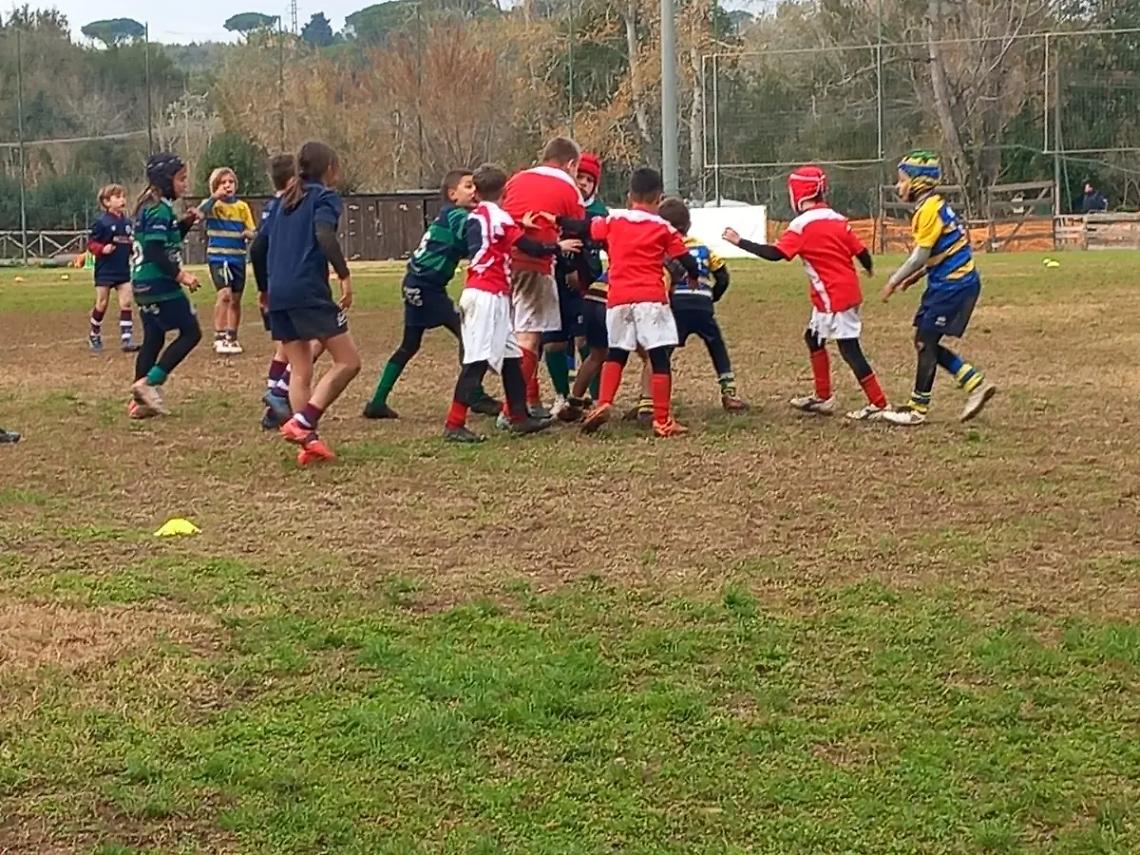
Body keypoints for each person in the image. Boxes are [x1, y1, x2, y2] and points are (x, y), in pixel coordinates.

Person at [723, 165, 889, 420]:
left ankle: (879, 404)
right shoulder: (837, 219)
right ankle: (823, 397)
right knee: (813, 338)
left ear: (798, 194)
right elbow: (861, 251)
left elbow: (776, 254)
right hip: (843, 293)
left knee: (849, 349)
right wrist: (868, 268)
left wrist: (739, 242)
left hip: (833, 298)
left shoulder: (802, 225)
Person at [443, 164, 578, 442]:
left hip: (488, 293)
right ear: (505, 190)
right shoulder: (501, 218)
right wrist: (557, 247)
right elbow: (528, 246)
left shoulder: (478, 215)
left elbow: (495, 234)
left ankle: (518, 416)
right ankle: (454, 423)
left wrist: (517, 225)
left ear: (477, 192)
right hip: (487, 295)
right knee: (477, 361)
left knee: (513, 357)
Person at [251, 141, 361, 465]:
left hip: (280, 293)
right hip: (307, 291)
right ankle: (303, 421)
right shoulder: (324, 198)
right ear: (330, 169)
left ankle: (307, 444)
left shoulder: (282, 201)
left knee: (301, 370)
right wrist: (343, 274)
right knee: (349, 362)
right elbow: (324, 235)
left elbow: (258, 247)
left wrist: (263, 288)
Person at [363, 169, 499, 420]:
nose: (474, 191)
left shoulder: (450, 215)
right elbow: (474, 237)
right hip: (427, 287)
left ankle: (377, 401)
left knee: (409, 344)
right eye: (468, 186)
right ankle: (475, 395)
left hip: (414, 283)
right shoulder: (458, 216)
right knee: (467, 332)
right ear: (452, 194)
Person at [580, 167, 701, 438]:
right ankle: (662, 420)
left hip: (618, 299)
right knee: (659, 358)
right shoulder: (663, 227)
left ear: (629, 196)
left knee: (617, 354)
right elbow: (686, 259)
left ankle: (604, 402)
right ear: (659, 199)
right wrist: (693, 276)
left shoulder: (614, 221)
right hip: (650, 300)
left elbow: (587, 228)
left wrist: (557, 220)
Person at [879, 151, 996, 425]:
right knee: (926, 341)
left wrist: (894, 280)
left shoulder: (928, 210)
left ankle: (917, 410)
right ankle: (974, 383)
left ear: (918, 182)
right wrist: (917, 277)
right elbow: (941, 250)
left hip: (952, 284)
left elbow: (920, 255)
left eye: (902, 180)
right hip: (954, 282)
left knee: (924, 341)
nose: (899, 186)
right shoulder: (934, 205)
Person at [500, 137, 586, 422]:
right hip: (533, 263)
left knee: (516, 334)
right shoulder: (567, 187)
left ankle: (530, 400)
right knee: (528, 336)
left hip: (500, 264)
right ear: (571, 164)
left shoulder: (517, 178)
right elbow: (578, 230)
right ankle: (511, 411)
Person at [128, 153, 203, 418]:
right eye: (181, 179)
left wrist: (185, 224)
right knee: (191, 332)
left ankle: (139, 403)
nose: (185, 184)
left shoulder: (148, 206)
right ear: (165, 179)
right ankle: (149, 383)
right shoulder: (160, 209)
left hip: (141, 285)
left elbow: (166, 240)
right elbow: (155, 250)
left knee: (154, 338)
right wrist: (180, 276)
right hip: (160, 283)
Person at [658, 197, 748, 412]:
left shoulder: (664, 250)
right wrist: (712, 297)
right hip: (702, 307)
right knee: (717, 346)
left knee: (663, 352)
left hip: (676, 306)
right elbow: (723, 276)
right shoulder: (704, 248)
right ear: (688, 225)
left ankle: (654, 399)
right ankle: (729, 393)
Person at [563, 151, 608, 420]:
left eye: (587, 179)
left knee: (587, 340)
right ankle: (564, 394)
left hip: (589, 284)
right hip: (563, 279)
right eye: (578, 176)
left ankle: (592, 395)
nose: (581, 182)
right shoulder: (563, 204)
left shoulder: (599, 212)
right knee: (557, 339)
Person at [199, 167, 256, 355]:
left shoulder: (242, 207)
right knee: (224, 294)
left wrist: (249, 234)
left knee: (236, 299)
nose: (227, 186)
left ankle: (232, 336)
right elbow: (199, 213)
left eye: (230, 182)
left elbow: (252, 231)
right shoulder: (212, 206)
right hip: (218, 256)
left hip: (237, 257)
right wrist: (214, 197)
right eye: (223, 183)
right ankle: (219, 336)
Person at [86, 184, 138, 353]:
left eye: (123, 196)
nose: (122, 200)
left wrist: (133, 250)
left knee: (127, 302)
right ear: (107, 202)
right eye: (117, 197)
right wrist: (103, 249)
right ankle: (94, 333)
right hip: (105, 270)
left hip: (123, 269)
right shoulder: (102, 223)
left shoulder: (127, 222)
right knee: (102, 303)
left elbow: (129, 242)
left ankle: (126, 338)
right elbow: (91, 244)